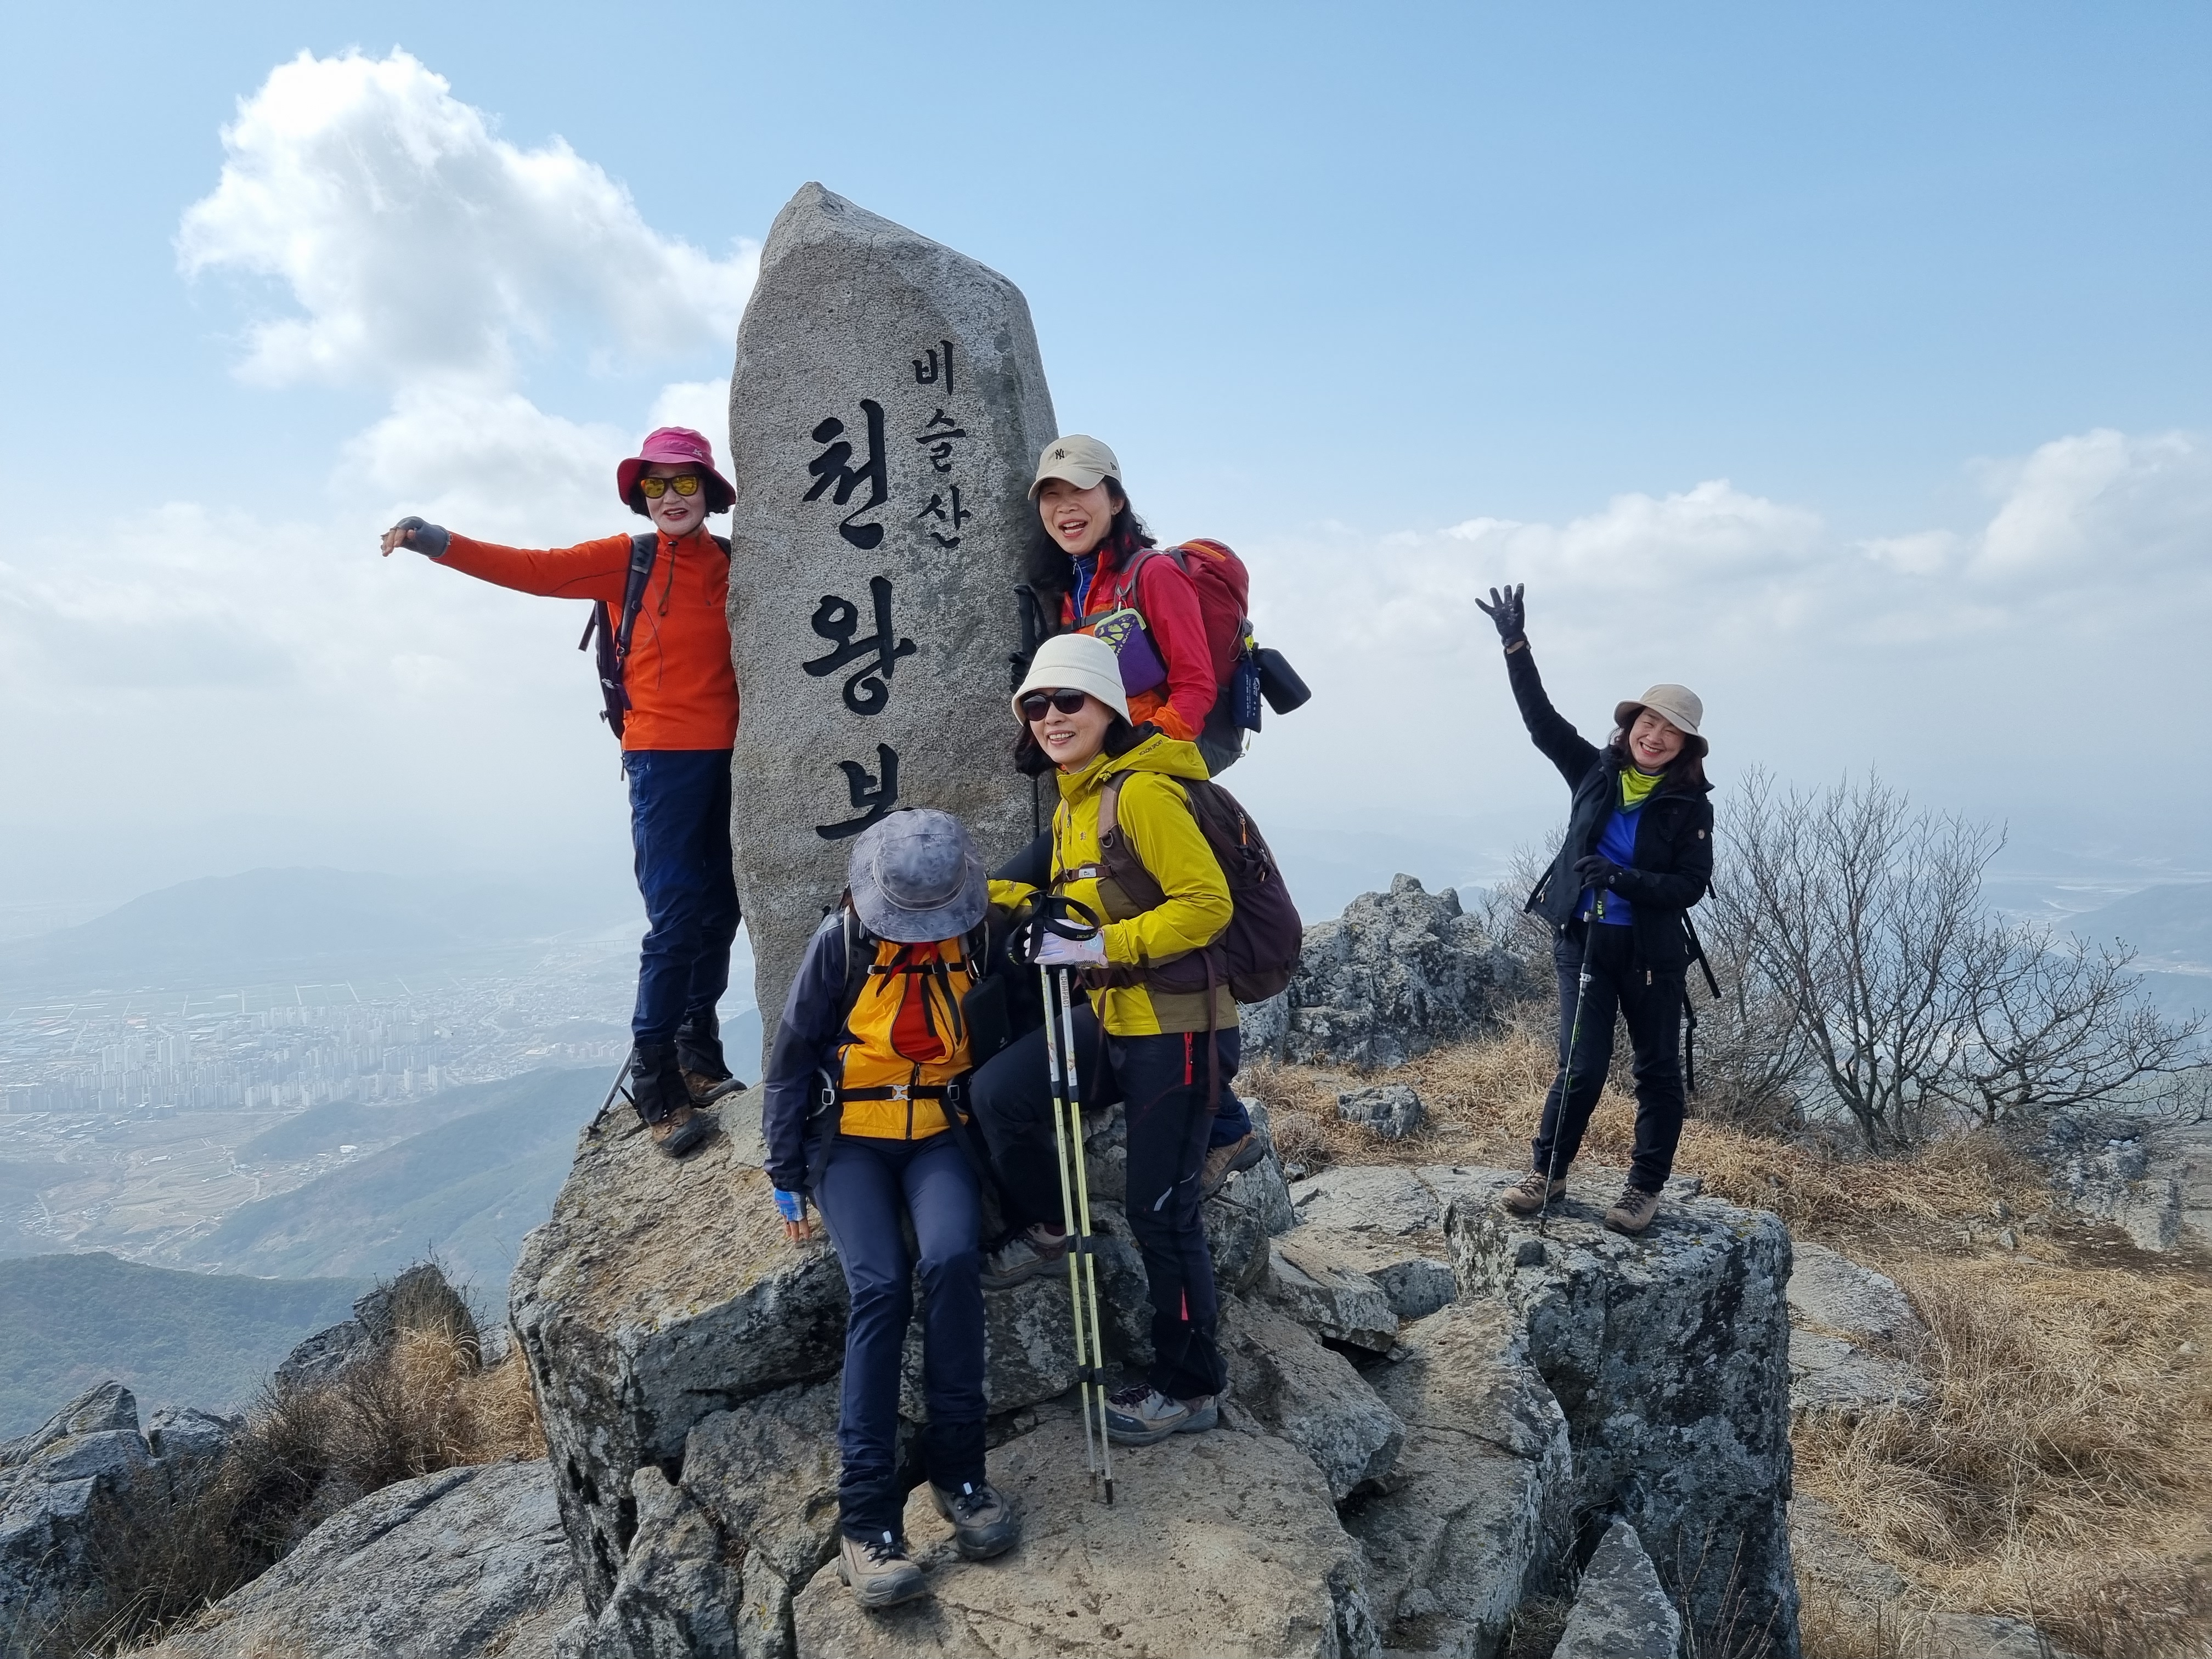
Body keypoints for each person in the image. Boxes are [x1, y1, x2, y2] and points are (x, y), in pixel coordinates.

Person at [380, 427, 743, 1158]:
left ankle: (697, 1057)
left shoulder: (736, 562)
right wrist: (436, 541)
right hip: (662, 760)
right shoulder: (627, 560)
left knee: (722, 912)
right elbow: (533, 570)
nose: (670, 496)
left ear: (709, 491)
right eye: (655, 484)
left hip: (739, 756)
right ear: (641, 495)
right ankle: (657, 1086)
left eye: (685, 481)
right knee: (676, 919)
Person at [970, 631, 1237, 1446]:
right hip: (1117, 1018)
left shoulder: (1143, 794)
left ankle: (1191, 1387)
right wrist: (1014, 909)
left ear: (1109, 709)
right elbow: (1050, 889)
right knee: (998, 1095)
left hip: (1179, 1030)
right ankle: (1052, 1222)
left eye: (1069, 701)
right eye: (1037, 706)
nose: (1051, 718)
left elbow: (1207, 904)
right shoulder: (1075, 803)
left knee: (1162, 1214)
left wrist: (1096, 946)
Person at [761, 810, 1021, 1609]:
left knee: (951, 1259)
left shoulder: (982, 937)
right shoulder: (840, 944)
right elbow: (792, 1057)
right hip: (850, 1144)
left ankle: (962, 1476)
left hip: (941, 1135)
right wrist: (785, 1170)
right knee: (879, 1285)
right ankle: (867, 1521)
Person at [1023, 435, 1265, 1190]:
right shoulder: (1076, 590)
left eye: (1081, 492)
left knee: (1163, 927)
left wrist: (1134, 761)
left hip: (1151, 778)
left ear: (1116, 498)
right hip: (1107, 779)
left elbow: (1194, 687)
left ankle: (1224, 1124)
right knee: (1113, 925)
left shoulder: (1151, 575)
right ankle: (1221, 1120)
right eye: (1052, 497)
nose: (1067, 509)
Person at [1475, 583, 1714, 1234]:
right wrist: (1514, 644)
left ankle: (1643, 1190)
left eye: (1671, 731)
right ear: (1631, 725)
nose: (1655, 736)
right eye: (1648, 723)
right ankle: (1547, 1171)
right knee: (1579, 1068)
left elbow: (1689, 886)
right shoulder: (1593, 771)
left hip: (1651, 957)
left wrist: (1624, 878)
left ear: (1686, 747)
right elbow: (1540, 720)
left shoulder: (1690, 807)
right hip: (1583, 942)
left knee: (1657, 1074)